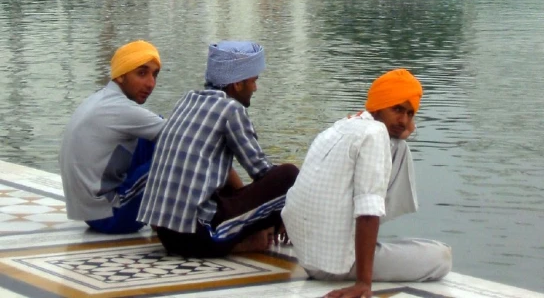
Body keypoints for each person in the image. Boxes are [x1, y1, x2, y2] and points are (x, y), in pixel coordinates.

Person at [282, 69, 452, 298]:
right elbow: (368, 211)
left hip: (308, 253)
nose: (404, 121)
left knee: (400, 147)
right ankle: (361, 264)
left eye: (410, 113)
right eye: (397, 109)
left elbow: (400, 133)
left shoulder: (345, 125)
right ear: (380, 105)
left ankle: (362, 248)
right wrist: (363, 283)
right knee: (441, 257)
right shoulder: (375, 135)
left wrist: (402, 124)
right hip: (333, 267)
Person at [138, 41, 298, 258]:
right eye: (253, 81)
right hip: (199, 237)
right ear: (238, 84)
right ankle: (245, 241)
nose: (255, 88)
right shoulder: (231, 110)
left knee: (225, 183)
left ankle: (249, 232)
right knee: (288, 177)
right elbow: (262, 172)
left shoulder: (187, 100)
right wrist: (285, 215)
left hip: (167, 236)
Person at [59, 40, 165, 234]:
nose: (151, 83)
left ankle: (161, 217)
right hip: (110, 216)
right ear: (121, 76)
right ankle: (194, 218)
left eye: (154, 75)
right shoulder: (121, 109)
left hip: (92, 214)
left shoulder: (100, 98)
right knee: (178, 156)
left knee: (157, 131)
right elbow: (188, 141)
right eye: (141, 73)